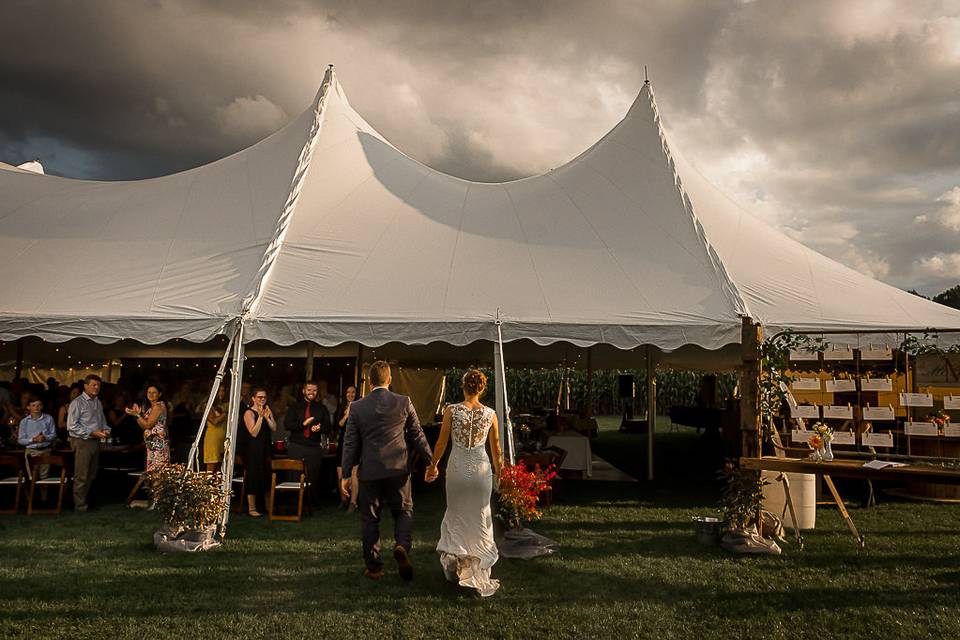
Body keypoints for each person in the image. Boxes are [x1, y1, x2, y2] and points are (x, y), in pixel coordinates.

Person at [341, 361, 433, 581]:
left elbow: (350, 443)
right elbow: (417, 434)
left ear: (369, 382)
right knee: (403, 511)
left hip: (370, 471)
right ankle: (401, 545)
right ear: (389, 380)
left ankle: (374, 567)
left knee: (370, 519)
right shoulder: (403, 402)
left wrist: (345, 474)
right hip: (398, 470)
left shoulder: (357, 407)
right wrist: (431, 461)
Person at [427, 369, 503, 597]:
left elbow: (441, 443)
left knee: (457, 514)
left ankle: (458, 565)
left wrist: (433, 466)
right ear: (481, 388)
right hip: (481, 471)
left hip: (458, 469)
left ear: (464, 387)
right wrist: (500, 473)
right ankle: (476, 567)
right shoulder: (490, 414)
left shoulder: (452, 411)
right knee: (479, 516)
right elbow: (496, 449)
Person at [284, 380, 331, 508]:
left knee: (312, 477)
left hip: (314, 448)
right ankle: (293, 504)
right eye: (309, 390)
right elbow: (287, 425)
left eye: (314, 390)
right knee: (294, 476)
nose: (312, 392)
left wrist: (319, 428)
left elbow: (328, 426)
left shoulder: (322, 408)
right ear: (304, 391)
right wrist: (303, 424)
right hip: (296, 447)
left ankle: (310, 504)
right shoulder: (294, 407)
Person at [66, 374, 110, 511]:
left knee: (91, 474)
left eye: (98, 385)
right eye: (94, 385)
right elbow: (71, 426)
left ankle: (84, 501)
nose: (97, 388)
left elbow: (102, 421)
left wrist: (106, 430)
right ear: (85, 386)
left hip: (95, 440)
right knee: (82, 474)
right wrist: (91, 432)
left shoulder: (97, 401)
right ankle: (79, 505)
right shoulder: (77, 403)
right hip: (82, 441)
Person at [242, 387, 276, 517]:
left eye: (264, 397)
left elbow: (274, 428)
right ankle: (252, 508)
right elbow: (254, 432)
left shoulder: (268, 410)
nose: (262, 399)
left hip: (266, 448)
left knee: (267, 475)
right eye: (259, 397)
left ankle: (268, 506)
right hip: (254, 449)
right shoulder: (248, 413)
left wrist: (267, 417)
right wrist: (261, 417)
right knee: (253, 476)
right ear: (253, 398)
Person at [127, 384, 169, 471]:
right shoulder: (151, 408)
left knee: (157, 474)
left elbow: (148, 425)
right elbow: (144, 426)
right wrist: (137, 415)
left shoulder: (158, 406)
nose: (151, 394)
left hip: (157, 446)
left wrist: (137, 415)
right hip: (152, 445)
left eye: (154, 392)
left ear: (159, 394)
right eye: (149, 392)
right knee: (153, 474)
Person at [18, 396, 56, 485]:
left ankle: (44, 498)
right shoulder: (24, 422)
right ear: (28, 407)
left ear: (42, 406)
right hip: (31, 452)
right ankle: (33, 497)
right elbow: (20, 440)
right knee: (31, 477)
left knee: (45, 478)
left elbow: (53, 435)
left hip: (46, 451)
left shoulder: (49, 418)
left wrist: (45, 437)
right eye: (33, 405)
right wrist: (33, 439)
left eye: (38, 405)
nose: (36, 408)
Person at [335, 385, 358, 511]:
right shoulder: (341, 408)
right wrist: (346, 415)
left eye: (353, 392)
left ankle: (353, 503)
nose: (350, 394)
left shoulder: (360, 407)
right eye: (348, 392)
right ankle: (344, 500)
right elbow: (339, 425)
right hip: (343, 443)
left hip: (355, 444)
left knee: (354, 474)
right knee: (340, 473)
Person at [203, 385, 228, 472]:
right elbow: (214, 421)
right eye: (218, 391)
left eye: (223, 390)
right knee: (211, 468)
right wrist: (225, 414)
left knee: (219, 469)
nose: (221, 393)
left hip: (223, 439)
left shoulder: (224, 405)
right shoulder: (208, 405)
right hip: (213, 440)